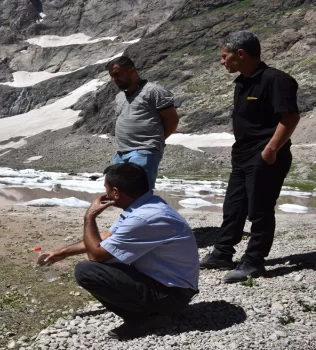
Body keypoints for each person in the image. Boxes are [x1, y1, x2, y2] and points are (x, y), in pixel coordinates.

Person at [39, 163, 199, 340]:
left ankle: (144, 318)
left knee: (87, 271)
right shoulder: (146, 205)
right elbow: (108, 236)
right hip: (170, 287)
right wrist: (62, 253)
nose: (105, 193)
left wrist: (89, 217)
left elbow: (96, 255)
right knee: (108, 259)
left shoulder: (143, 217)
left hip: (171, 296)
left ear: (115, 192)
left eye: (106, 188)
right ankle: (150, 311)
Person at [199, 30, 301, 283]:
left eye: (225, 56)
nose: (222, 62)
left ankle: (254, 261)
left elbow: (290, 117)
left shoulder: (275, 80)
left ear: (240, 54)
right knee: (233, 208)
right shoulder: (243, 81)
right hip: (242, 155)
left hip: (265, 156)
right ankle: (222, 254)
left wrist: (270, 150)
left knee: (260, 210)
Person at [106, 56, 180, 190]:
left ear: (131, 71)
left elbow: (172, 120)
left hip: (144, 152)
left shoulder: (154, 91)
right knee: (122, 193)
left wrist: (153, 141)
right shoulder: (120, 96)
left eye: (117, 74)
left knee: (139, 192)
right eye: (112, 76)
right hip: (121, 153)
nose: (114, 79)